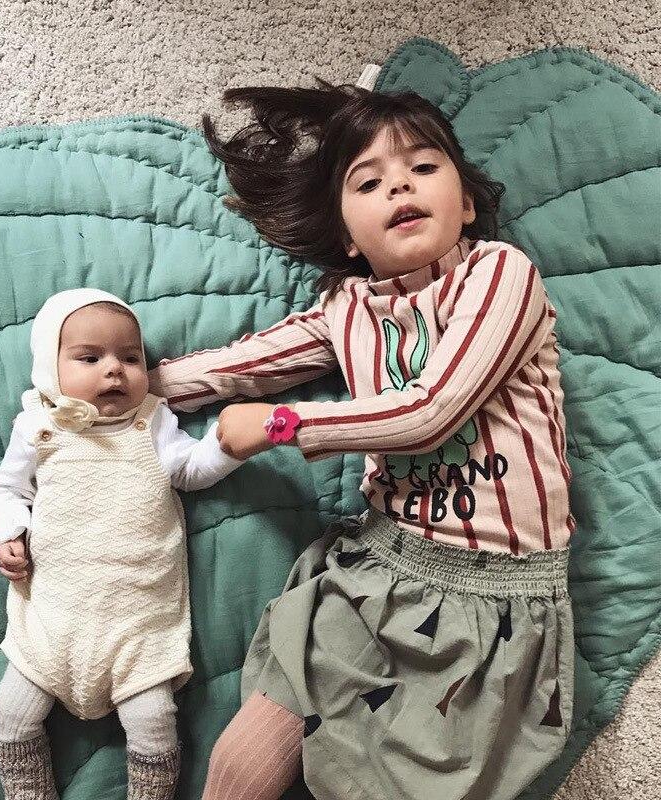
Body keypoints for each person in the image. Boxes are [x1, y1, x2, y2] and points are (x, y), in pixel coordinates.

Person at [148, 85, 575, 800]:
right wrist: (120, 384)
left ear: (467, 204)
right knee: (239, 764)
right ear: (349, 238)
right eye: (368, 183)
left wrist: (285, 426)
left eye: (423, 168)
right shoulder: (346, 308)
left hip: (493, 601)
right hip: (375, 570)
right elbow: (238, 367)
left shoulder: (499, 274)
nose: (400, 186)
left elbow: (431, 411)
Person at [0, 288, 243, 800]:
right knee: (11, 716)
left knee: (154, 720)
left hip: (138, 623)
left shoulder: (152, 422)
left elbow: (190, 470)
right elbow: (6, 489)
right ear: (50, 369)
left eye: (130, 358)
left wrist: (227, 446)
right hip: (55, 618)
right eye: (89, 358)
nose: (114, 371)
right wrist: (10, 531)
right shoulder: (39, 425)